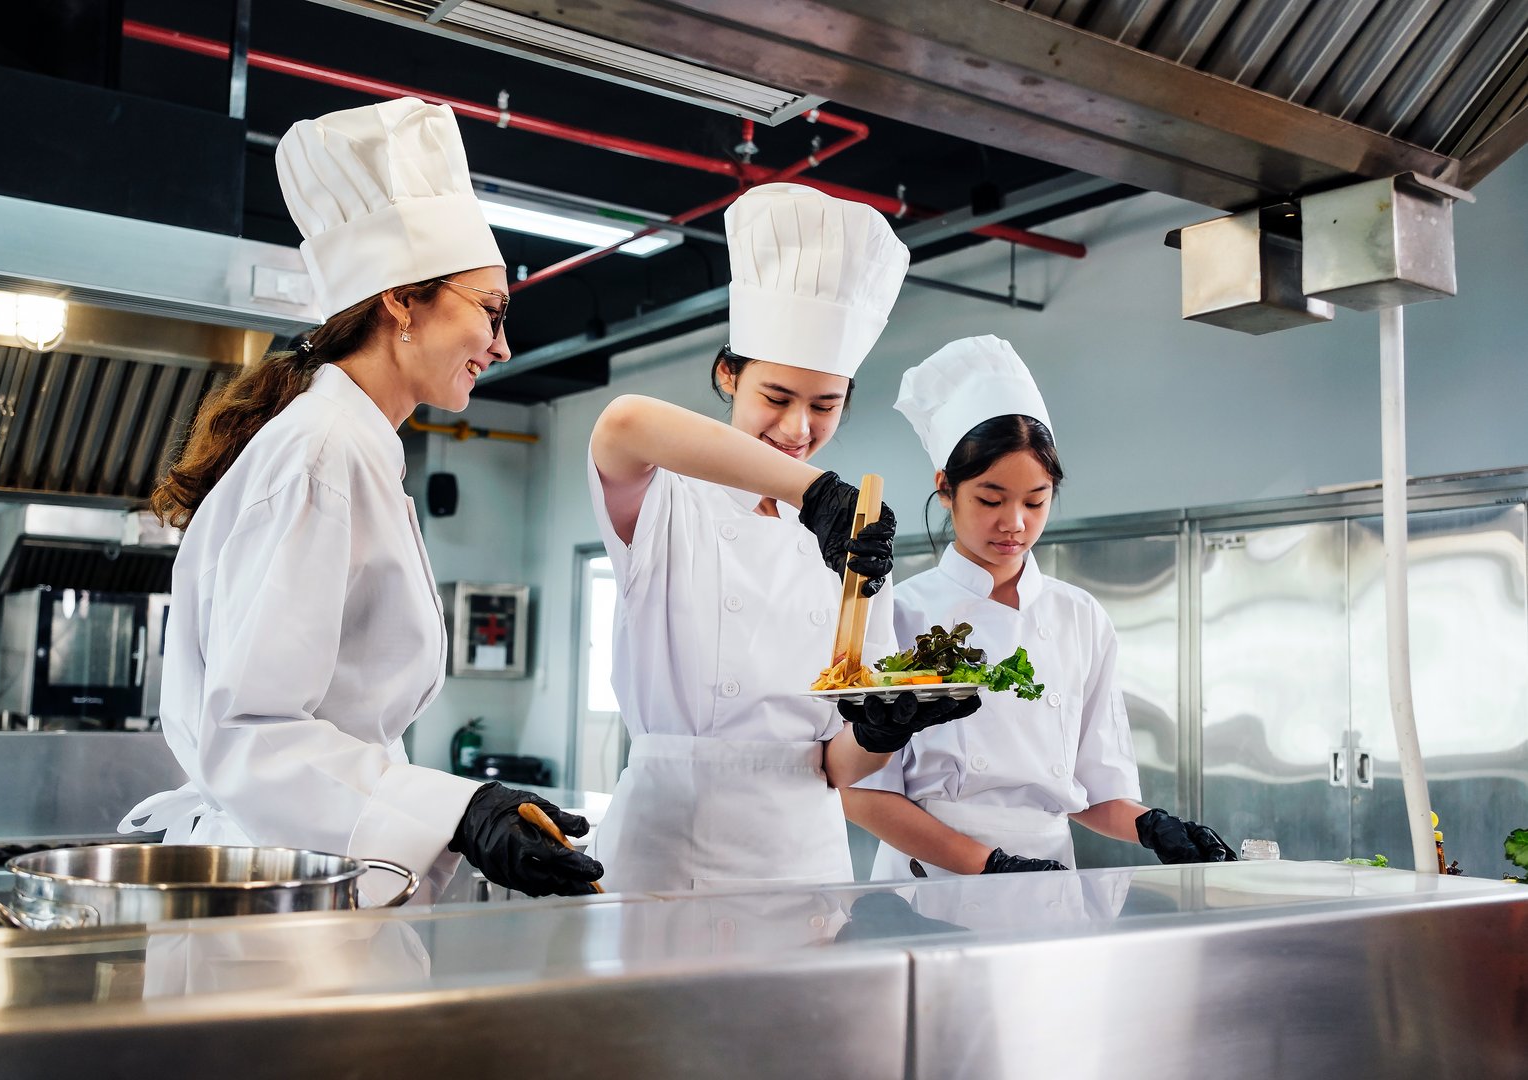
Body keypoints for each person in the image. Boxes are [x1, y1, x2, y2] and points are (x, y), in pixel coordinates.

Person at [119, 97, 601, 901]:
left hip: (317, 870)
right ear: (402, 301)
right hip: (274, 887)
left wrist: (459, 811)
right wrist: (461, 809)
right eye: (491, 312)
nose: (503, 346)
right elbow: (253, 739)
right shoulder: (322, 451)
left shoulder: (357, 449)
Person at [586, 183, 980, 893]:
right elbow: (623, 423)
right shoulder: (668, 501)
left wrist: (882, 731)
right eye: (777, 398)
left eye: (825, 405)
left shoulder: (857, 536)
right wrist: (813, 491)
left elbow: (837, 766)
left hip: (803, 857)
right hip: (669, 847)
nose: (800, 429)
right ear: (727, 373)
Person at [843, 336, 1236, 878]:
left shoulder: (1081, 618)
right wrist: (990, 865)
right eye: (990, 498)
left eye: (1035, 500)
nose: (1015, 523)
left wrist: (1154, 827)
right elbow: (863, 795)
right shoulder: (896, 613)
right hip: (930, 881)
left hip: (1049, 874)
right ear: (945, 489)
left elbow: (1096, 793)